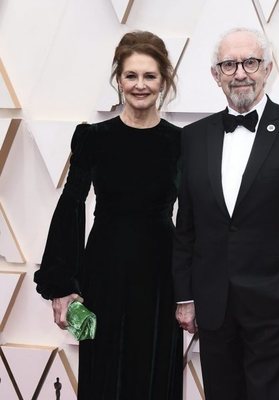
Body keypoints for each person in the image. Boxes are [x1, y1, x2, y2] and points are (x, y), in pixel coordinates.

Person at [173, 27, 279, 400]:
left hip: (277, 306)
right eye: (229, 64)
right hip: (214, 307)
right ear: (215, 75)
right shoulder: (193, 137)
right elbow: (185, 225)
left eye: (249, 62)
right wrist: (185, 295)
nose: (240, 73)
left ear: (267, 69)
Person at [34, 30, 182, 400]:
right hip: (104, 274)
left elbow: (195, 216)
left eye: (149, 76)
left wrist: (193, 289)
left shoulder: (181, 143)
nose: (140, 85)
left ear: (163, 80)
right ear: (118, 79)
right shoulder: (93, 137)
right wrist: (62, 283)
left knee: (153, 376)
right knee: (103, 376)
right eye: (131, 75)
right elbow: (71, 204)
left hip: (161, 276)